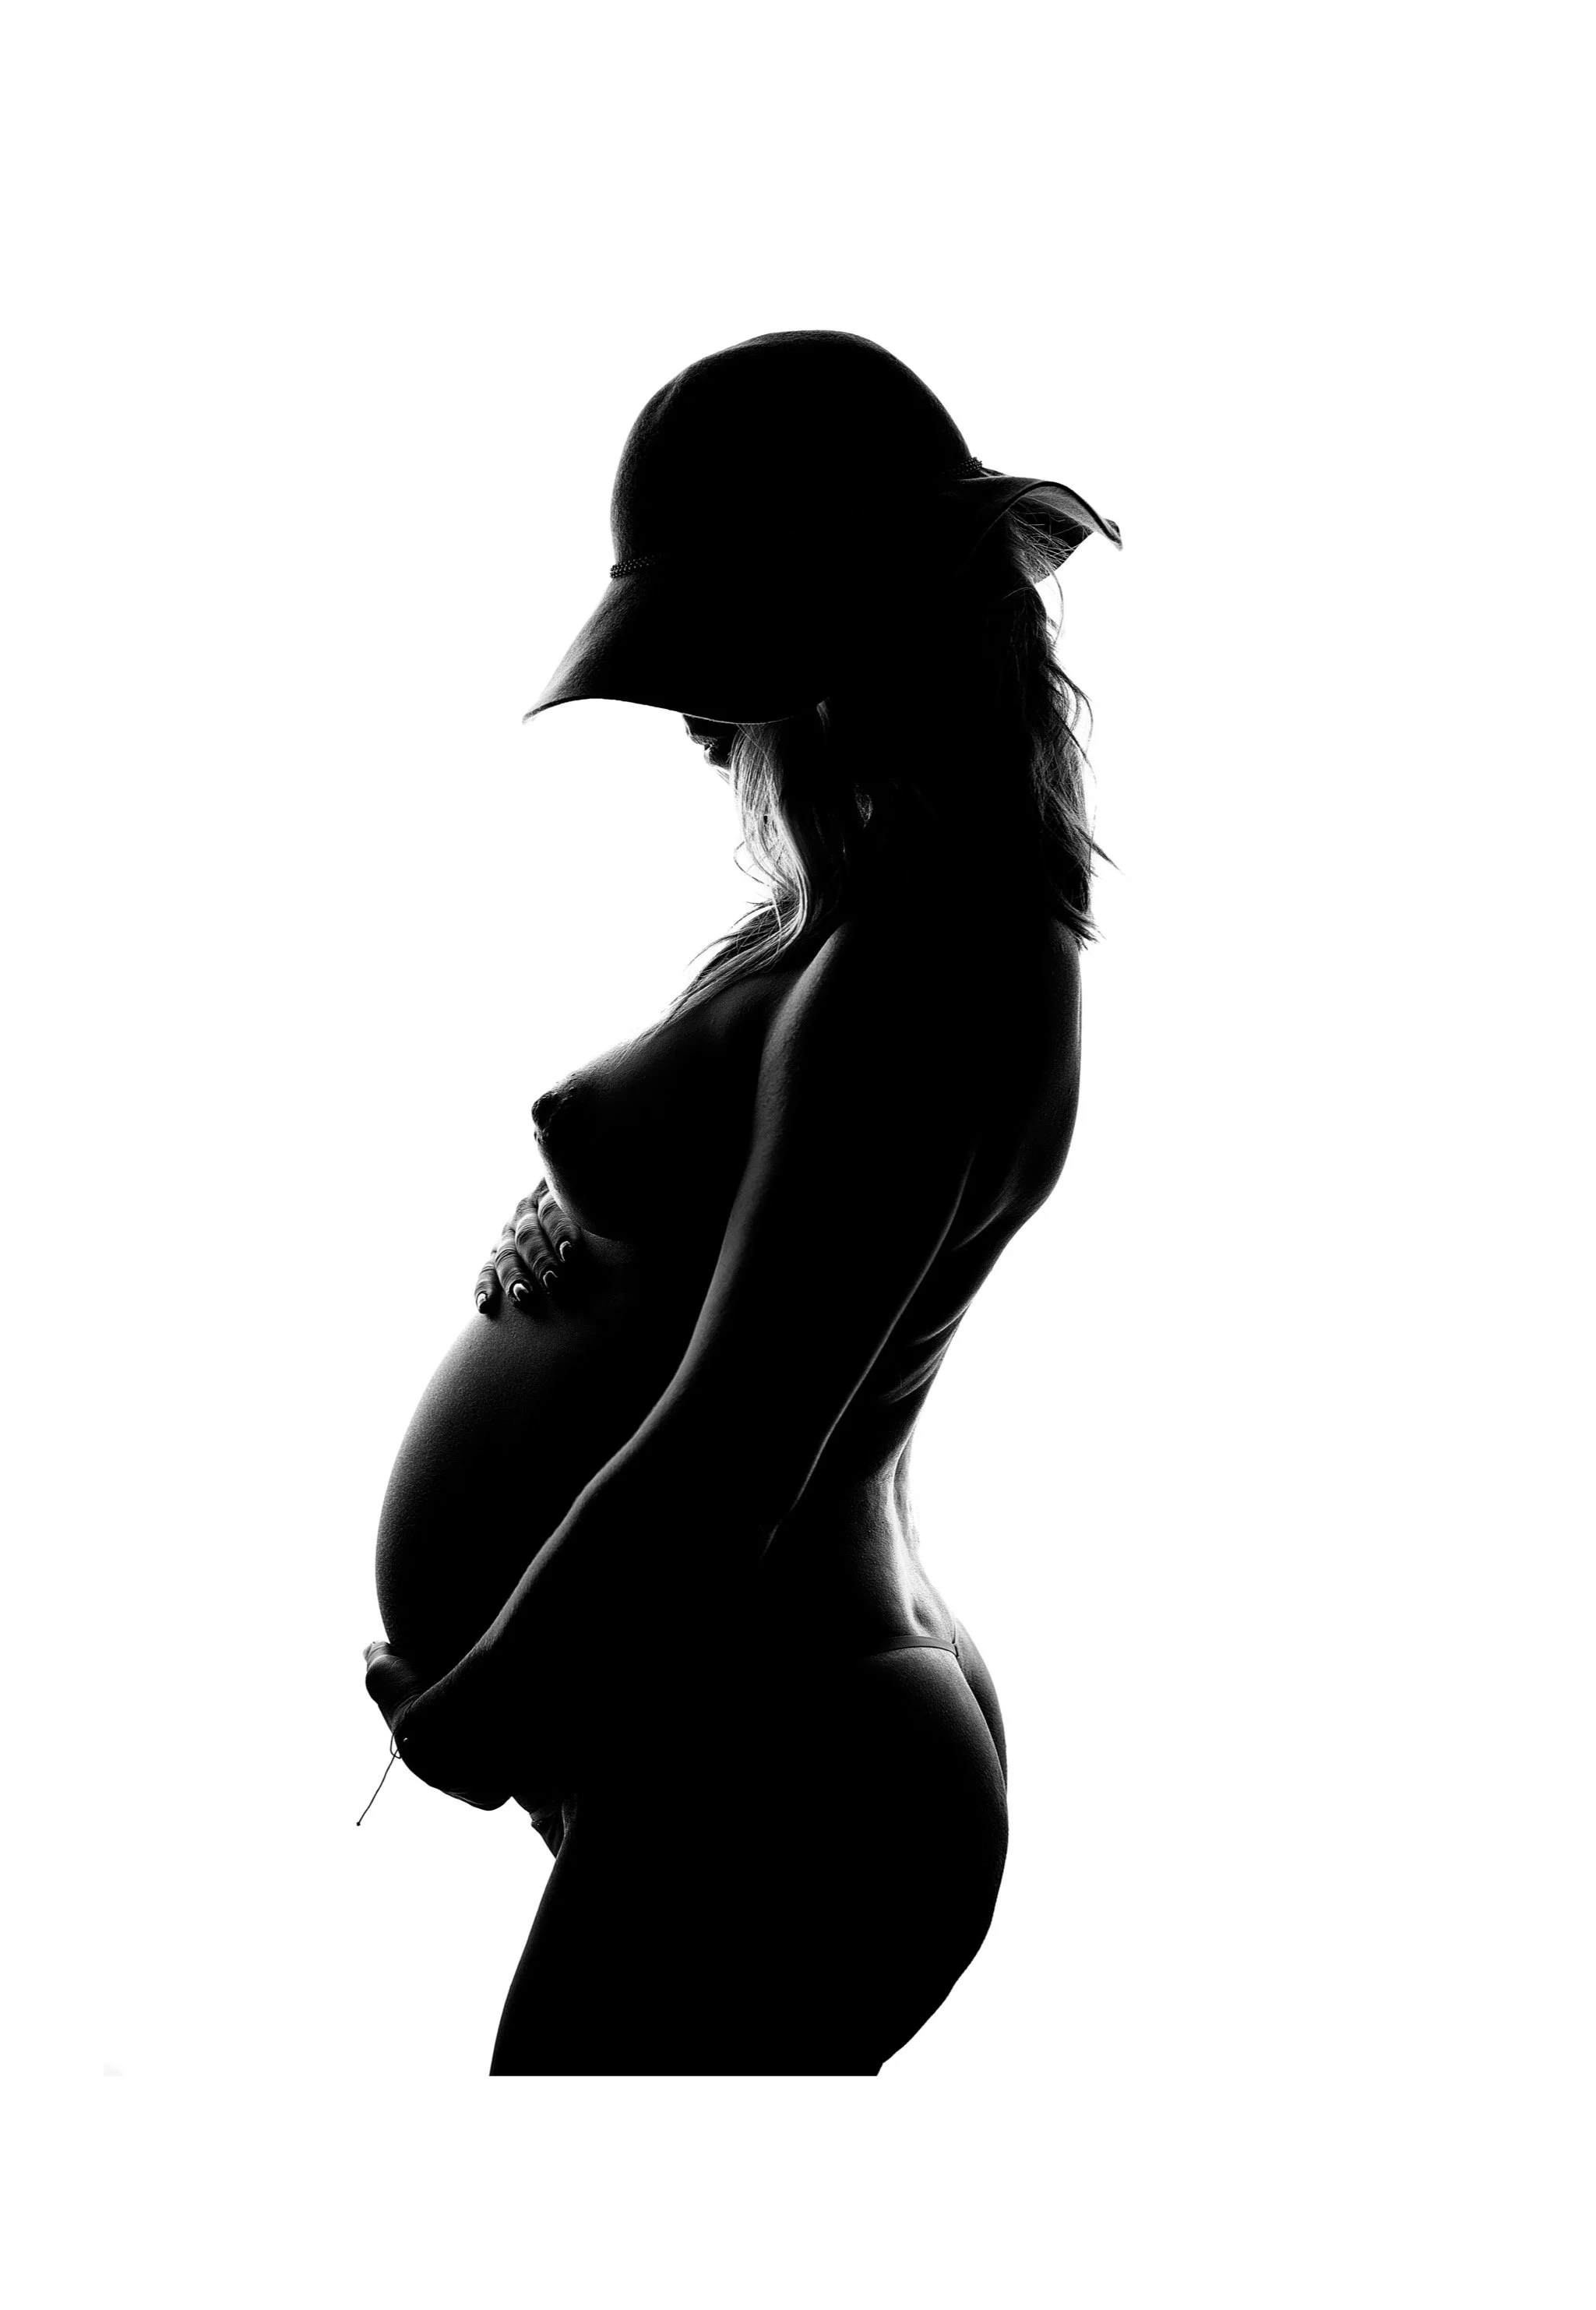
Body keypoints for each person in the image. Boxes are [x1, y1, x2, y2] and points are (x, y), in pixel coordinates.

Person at [362, 329, 1121, 2073]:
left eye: (715, 663)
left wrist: (496, 1700)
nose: (697, 725)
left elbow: (732, 1444)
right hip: (747, 1736)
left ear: (840, 643)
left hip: (788, 1758)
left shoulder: (921, 968)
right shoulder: (881, 930)